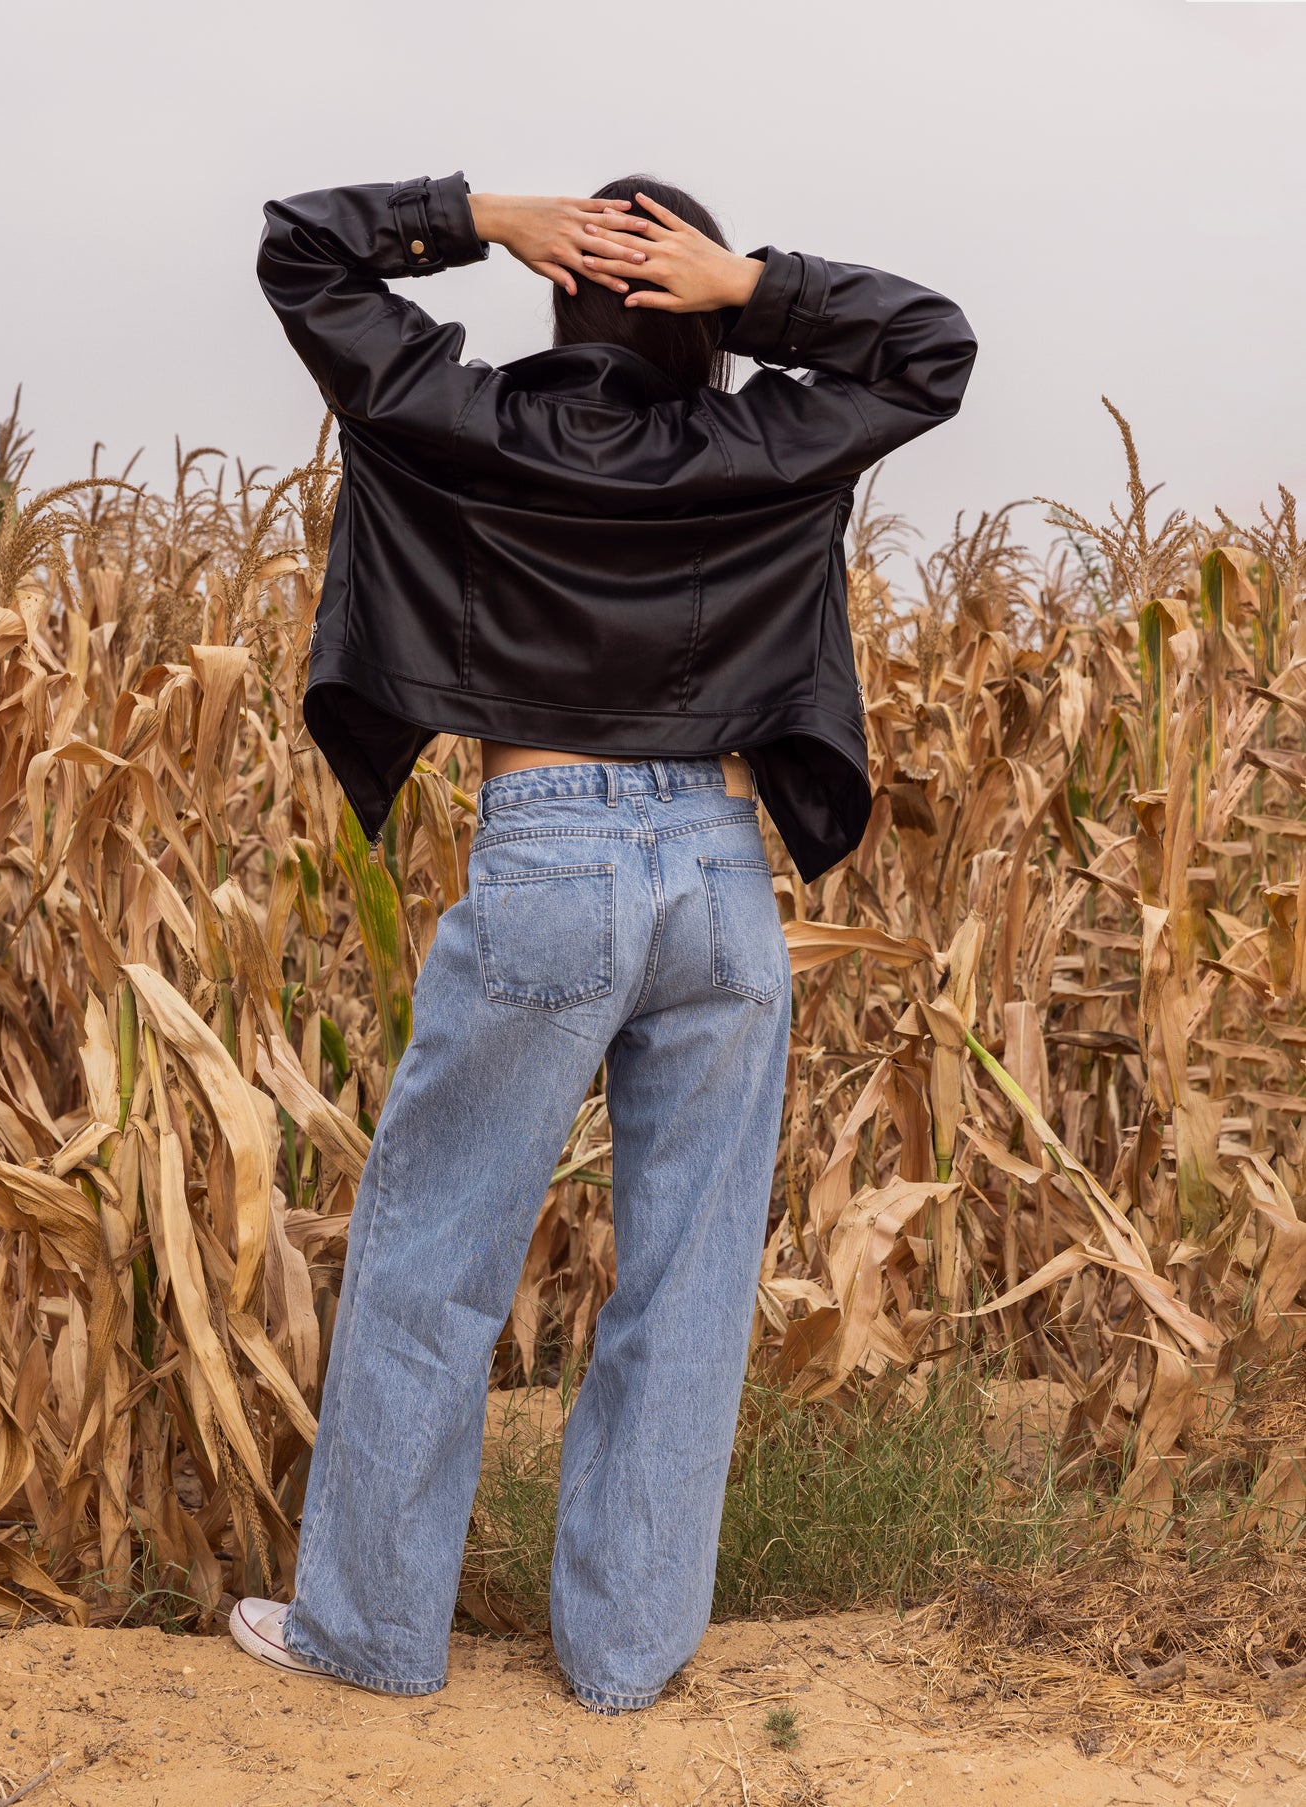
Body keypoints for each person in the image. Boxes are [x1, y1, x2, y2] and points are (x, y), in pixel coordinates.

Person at [230, 171, 976, 1713]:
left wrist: (486, 210)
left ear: (556, 288)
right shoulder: (758, 437)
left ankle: (370, 1635)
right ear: (688, 302)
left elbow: (303, 250)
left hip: (548, 855)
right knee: (690, 1279)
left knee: (438, 1254)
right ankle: (624, 1660)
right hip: (717, 875)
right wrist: (757, 287)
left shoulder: (463, 418)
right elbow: (926, 347)